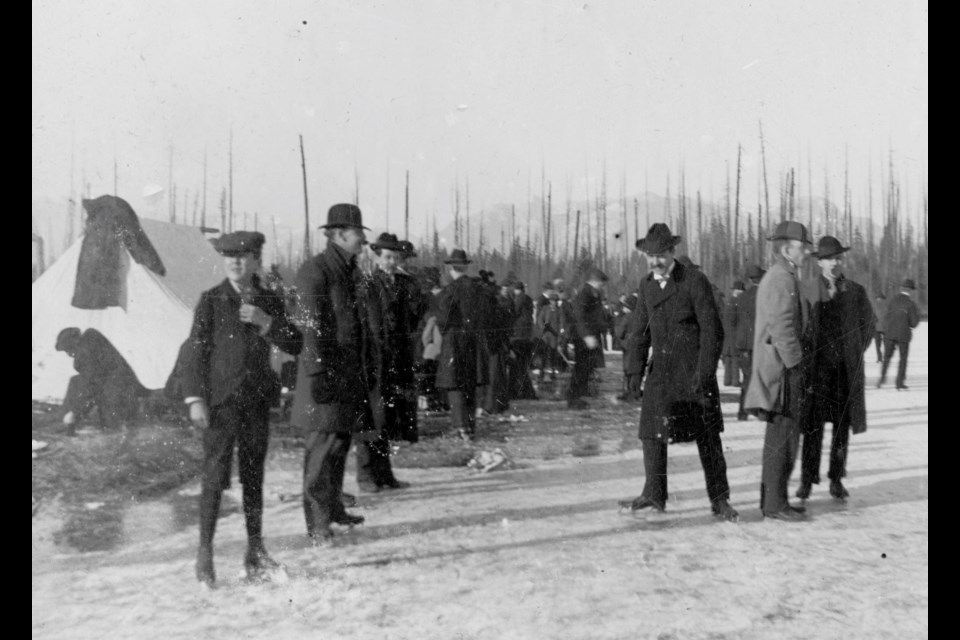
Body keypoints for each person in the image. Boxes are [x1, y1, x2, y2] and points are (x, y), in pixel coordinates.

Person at [182, 231, 304, 586]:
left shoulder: (269, 300)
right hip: (220, 406)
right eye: (229, 256)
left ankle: (255, 550)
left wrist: (266, 323)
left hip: (255, 403)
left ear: (255, 260)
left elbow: (295, 342)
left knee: (254, 477)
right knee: (214, 478)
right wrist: (195, 399)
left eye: (243, 256)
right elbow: (194, 353)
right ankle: (204, 555)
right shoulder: (211, 300)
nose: (235, 262)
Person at [619, 223, 738, 522]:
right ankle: (654, 493)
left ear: (673, 252)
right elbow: (638, 331)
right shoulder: (646, 285)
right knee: (652, 432)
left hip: (694, 371)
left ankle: (720, 499)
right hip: (662, 372)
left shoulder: (694, 281)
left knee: (708, 437)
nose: (655, 261)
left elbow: (713, 330)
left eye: (661, 255)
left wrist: (706, 370)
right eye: (650, 256)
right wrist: (633, 370)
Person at [291, 204, 376, 546]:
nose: (363, 240)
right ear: (340, 235)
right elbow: (310, 327)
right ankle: (317, 524)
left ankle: (335, 510)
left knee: (339, 446)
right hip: (324, 378)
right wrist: (319, 372)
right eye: (359, 234)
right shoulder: (316, 270)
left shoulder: (348, 270)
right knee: (321, 453)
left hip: (346, 376)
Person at [796, 236, 875, 502]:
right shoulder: (806, 289)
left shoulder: (855, 291)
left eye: (838, 258)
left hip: (843, 373)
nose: (835, 263)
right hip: (816, 373)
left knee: (841, 429)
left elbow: (869, 325)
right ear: (819, 262)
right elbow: (798, 327)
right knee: (812, 428)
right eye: (829, 259)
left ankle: (836, 479)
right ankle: (807, 479)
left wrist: (854, 351)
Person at [744, 220, 813, 522]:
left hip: (782, 368)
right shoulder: (782, 278)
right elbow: (782, 327)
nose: (806, 253)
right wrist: (797, 364)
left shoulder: (783, 275)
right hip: (783, 371)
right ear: (787, 249)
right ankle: (775, 503)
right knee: (783, 437)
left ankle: (774, 499)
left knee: (782, 436)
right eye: (803, 247)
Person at [356, 232, 417, 494]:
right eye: (388, 257)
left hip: (393, 360)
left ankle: (385, 474)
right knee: (370, 418)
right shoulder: (368, 284)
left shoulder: (402, 286)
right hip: (373, 360)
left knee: (387, 418)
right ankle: (366, 475)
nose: (392, 262)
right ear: (378, 257)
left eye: (396, 258)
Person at [56, 327, 148, 435]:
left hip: (118, 395)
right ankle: (67, 418)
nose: (69, 354)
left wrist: (74, 413)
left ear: (75, 343)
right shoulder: (91, 337)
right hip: (125, 385)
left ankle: (68, 421)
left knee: (113, 432)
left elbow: (89, 387)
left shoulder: (83, 355)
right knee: (76, 381)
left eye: (68, 349)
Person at [436, 249, 486, 440]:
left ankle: (460, 426)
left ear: (451, 268)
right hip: (473, 340)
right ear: (465, 267)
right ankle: (471, 427)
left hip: (454, 340)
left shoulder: (450, 290)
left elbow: (443, 318)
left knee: (454, 385)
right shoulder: (477, 288)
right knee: (470, 384)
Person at [566, 268, 608, 409]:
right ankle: (574, 398)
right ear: (595, 281)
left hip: (590, 336)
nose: (603, 286)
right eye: (602, 283)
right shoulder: (585, 293)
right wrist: (586, 336)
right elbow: (579, 316)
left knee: (586, 368)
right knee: (581, 368)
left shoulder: (593, 293)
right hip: (584, 338)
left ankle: (578, 397)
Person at [735, 264, 765, 420]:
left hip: (743, 344)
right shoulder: (764, 296)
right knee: (760, 377)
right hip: (758, 342)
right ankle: (758, 409)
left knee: (746, 378)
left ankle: (742, 411)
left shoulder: (741, 297)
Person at [879, 278, 921, 390]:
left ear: (902, 288)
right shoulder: (911, 304)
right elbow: (913, 323)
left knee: (887, 357)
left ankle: (881, 379)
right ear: (910, 290)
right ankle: (899, 383)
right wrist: (918, 315)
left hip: (889, 333)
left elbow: (886, 316)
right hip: (903, 335)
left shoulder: (892, 300)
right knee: (903, 359)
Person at [509, 281, 538, 400]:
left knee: (518, 365)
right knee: (523, 365)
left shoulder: (519, 298)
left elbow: (515, 312)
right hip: (527, 334)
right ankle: (525, 391)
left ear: (517, 289)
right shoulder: (529, 299)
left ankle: (519, 391)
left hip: (519, 334)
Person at [615, 294, 643, 401]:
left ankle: (629, 392)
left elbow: (620, 332)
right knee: (637, 369)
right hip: (641, 345)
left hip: (628, 346)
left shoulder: (627, 317)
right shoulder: (643, 315)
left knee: (628, 369)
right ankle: (636, 391)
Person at [722, 281, 744, 387]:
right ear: (738, 291)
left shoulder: (728, 301)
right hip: (734, 334)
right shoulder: (737, 302)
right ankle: (735, 381)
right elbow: (736, 319)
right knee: (735, 359)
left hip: (727, 334)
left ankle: (727, 380)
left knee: (728, 359)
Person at [871, 292, 888, 363]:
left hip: (877, 327)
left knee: (878, 344)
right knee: (886, 344)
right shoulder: (887, 305)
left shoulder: (874, 306)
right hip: (885, 327)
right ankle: (885, 358)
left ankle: (879, 358)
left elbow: (872, 316)